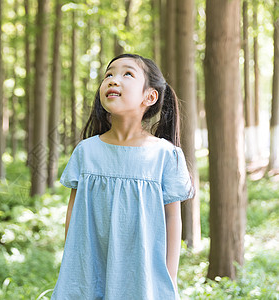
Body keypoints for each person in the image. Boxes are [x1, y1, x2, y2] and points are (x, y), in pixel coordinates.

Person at [51, 53, 194, 300]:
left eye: (127, 74)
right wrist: (75, 266)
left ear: (149, 96)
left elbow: (173, 218)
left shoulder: (165, 155)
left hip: (143, 279)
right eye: (109, 74)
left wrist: (168, 279)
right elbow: (73, 211)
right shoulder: (86, 151)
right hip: (87, 275)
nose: (113, 80)